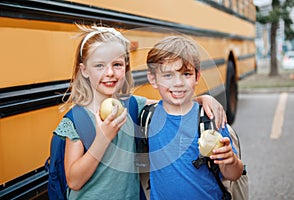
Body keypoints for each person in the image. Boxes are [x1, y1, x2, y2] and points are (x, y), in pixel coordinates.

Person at [53, 25, 227, 199]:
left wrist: (204, 99)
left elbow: (171, 102)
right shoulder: (78, 119)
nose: (110, 73)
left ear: (126, 67)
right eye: (99, 65)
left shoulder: (132, 105)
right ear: (84, 70)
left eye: (117, 64)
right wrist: (102, 138)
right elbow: (74, 181)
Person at [146, 35, 244, 199]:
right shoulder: (147, 116)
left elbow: (234, 174)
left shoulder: (210, 119)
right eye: (168, 75)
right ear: (153, 79)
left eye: (186, 74)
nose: (178, 83)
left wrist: (230, 160)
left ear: (197, 77)